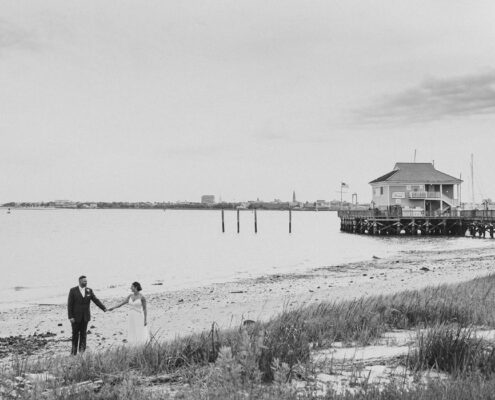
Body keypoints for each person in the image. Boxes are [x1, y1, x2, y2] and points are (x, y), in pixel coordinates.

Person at [67, 275, 107, 355]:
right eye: (84, 281)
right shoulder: (73, 290)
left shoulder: (89, 290)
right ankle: (73, 353)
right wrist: (70, 317)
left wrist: (104, 308)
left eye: (86, 281)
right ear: (80, 281)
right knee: (75, 335)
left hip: (85, 317)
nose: (86, 282)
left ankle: (82, 352)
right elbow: (70, 304)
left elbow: (95, 300)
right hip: (75, 317)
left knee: (83, 334)